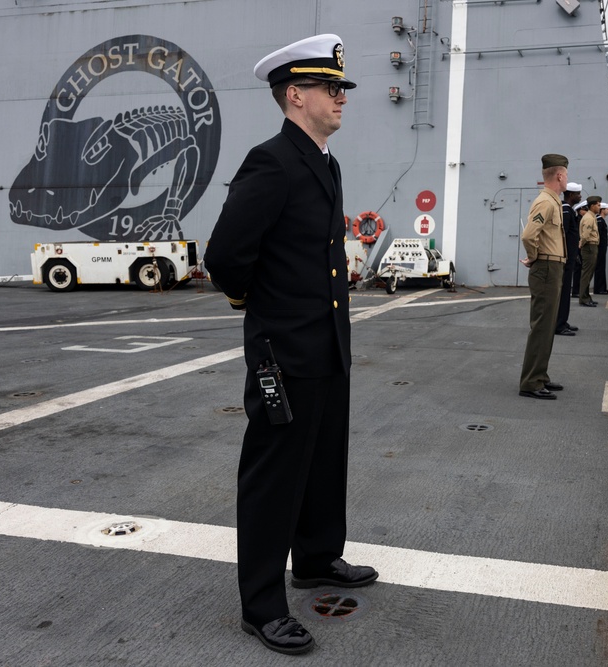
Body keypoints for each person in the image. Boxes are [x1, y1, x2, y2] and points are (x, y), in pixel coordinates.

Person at [204, 34, 377, 656]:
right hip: (284, 347)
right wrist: (264, 313)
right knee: (274, 474)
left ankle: (317, 558)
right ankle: (261, 604)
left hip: (328, 344)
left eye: (340, 89)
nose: (341, 98)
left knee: (325, 458)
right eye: (332, 89)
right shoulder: (271, 161)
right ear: (295, 95)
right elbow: (225, 256)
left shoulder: (324, 162)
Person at [519, 153, 569, 400]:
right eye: (566, 174)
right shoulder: (547, 202)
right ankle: (531, 382)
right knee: (542, 327)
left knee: (547, 327)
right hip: (547, 268)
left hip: (552, 268)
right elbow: (529, 236)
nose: (567, 178)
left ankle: (540, 376)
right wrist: (534, 256)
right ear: (560, 175)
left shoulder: (553, 201)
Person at [556, 182, 583, 336]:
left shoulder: (568, 209)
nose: (580, 196)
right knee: (564, 291)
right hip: (565, 259)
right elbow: (563, 235)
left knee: (566, 292)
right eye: (578, 193)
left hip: (570, 257)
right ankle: (559, 325)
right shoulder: (566, 210)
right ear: (571, 195)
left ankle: (563, 321)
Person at [577, 195, 602, 307]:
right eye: (598, 205)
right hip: (589, 247)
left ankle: (586, 296)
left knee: (589, 273)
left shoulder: (591, 217)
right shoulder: (588, 218)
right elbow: (586, 235)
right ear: (592, 206)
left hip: (591, 246)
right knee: (586, 273)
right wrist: (582, 244)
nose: (599, 207)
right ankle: (584, 298)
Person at [571, 199, 588, 297]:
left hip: (580, 246)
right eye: (585, 209)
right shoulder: (578, 221)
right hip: (578, 247)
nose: (586, 211)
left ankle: (578, 290)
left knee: (580, 268)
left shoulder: (582, 220)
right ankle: (576, 291)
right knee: (577, 269)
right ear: (580, 210)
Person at [594, 198, 608, 294]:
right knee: (600, 267)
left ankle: (602, 288)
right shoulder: (599, 221)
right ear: (602, 210)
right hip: (600, 247)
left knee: (601, 266)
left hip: (602, 247)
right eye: (607, 209)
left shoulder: (601, 220)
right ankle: (599, 289)